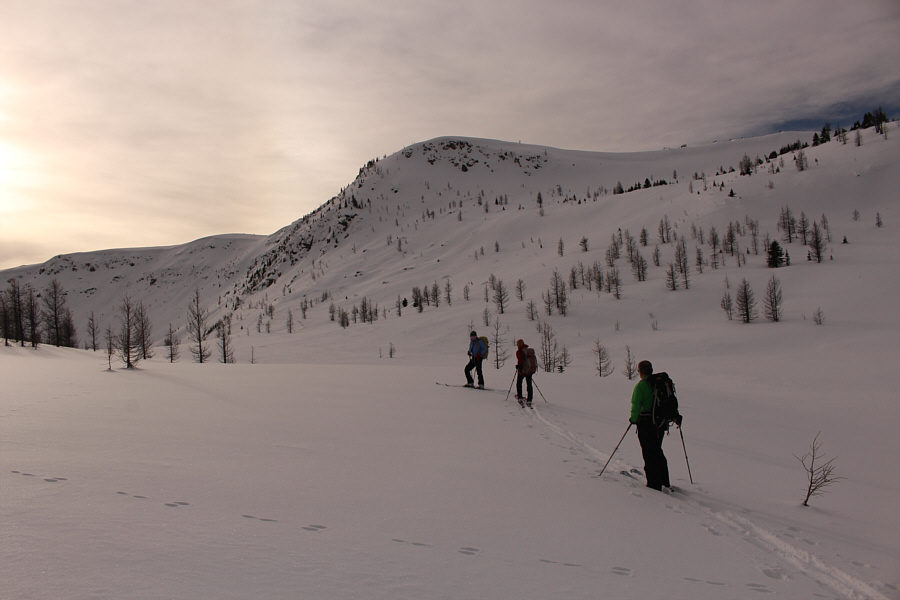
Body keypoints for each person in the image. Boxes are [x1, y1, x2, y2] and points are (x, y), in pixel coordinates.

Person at [629, 360, 670, 491]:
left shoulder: (641, 386)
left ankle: (654, 484)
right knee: (657, 450)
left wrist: (633, 419)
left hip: (646, 423)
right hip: (660, 423)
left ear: (640, 371)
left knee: (649, 452)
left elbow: (636, 405)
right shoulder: (659, 383)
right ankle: (664, 481)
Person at [514, 339, 534, 407]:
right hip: (529, 370)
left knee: (519, 383)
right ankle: (529, 399)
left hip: (522, 370)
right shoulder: (528, 351)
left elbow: (520, 360)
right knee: (529, 384)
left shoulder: (519, 351)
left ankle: (520, 397)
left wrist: (518, 366)